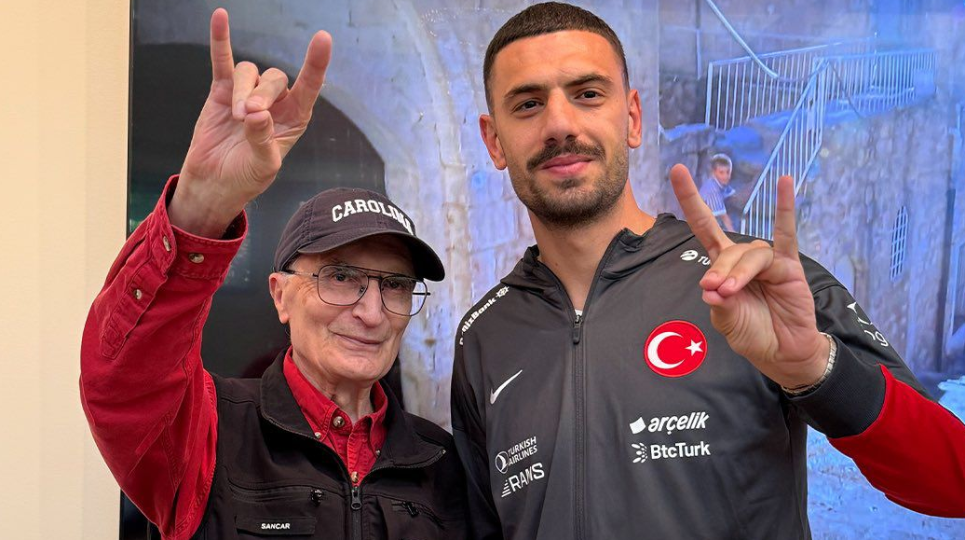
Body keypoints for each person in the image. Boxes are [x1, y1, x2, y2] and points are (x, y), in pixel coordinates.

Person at [450, 3, 965, 539]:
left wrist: (817, 369)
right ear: (494, 141)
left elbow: (953, 480)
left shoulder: (754, 283)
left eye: (588, 94)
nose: (559, 124)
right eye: (528, 104)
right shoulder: (484, 338)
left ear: (632, 118)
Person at [81, 9, 466, 540]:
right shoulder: (211, 430)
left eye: (395, 286)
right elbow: (121, 380)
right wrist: (202, 206)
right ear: (281, 296)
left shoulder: (442, 464)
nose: (372, 311)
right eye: (340, 277)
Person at [699, 152, 736, 232]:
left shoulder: (721, 184)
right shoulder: (712, 189)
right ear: (713, 173)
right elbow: (724, 217)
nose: (725, 176)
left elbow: (734, 196)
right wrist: (735, 235)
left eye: (728, 172)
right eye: (721, 172)